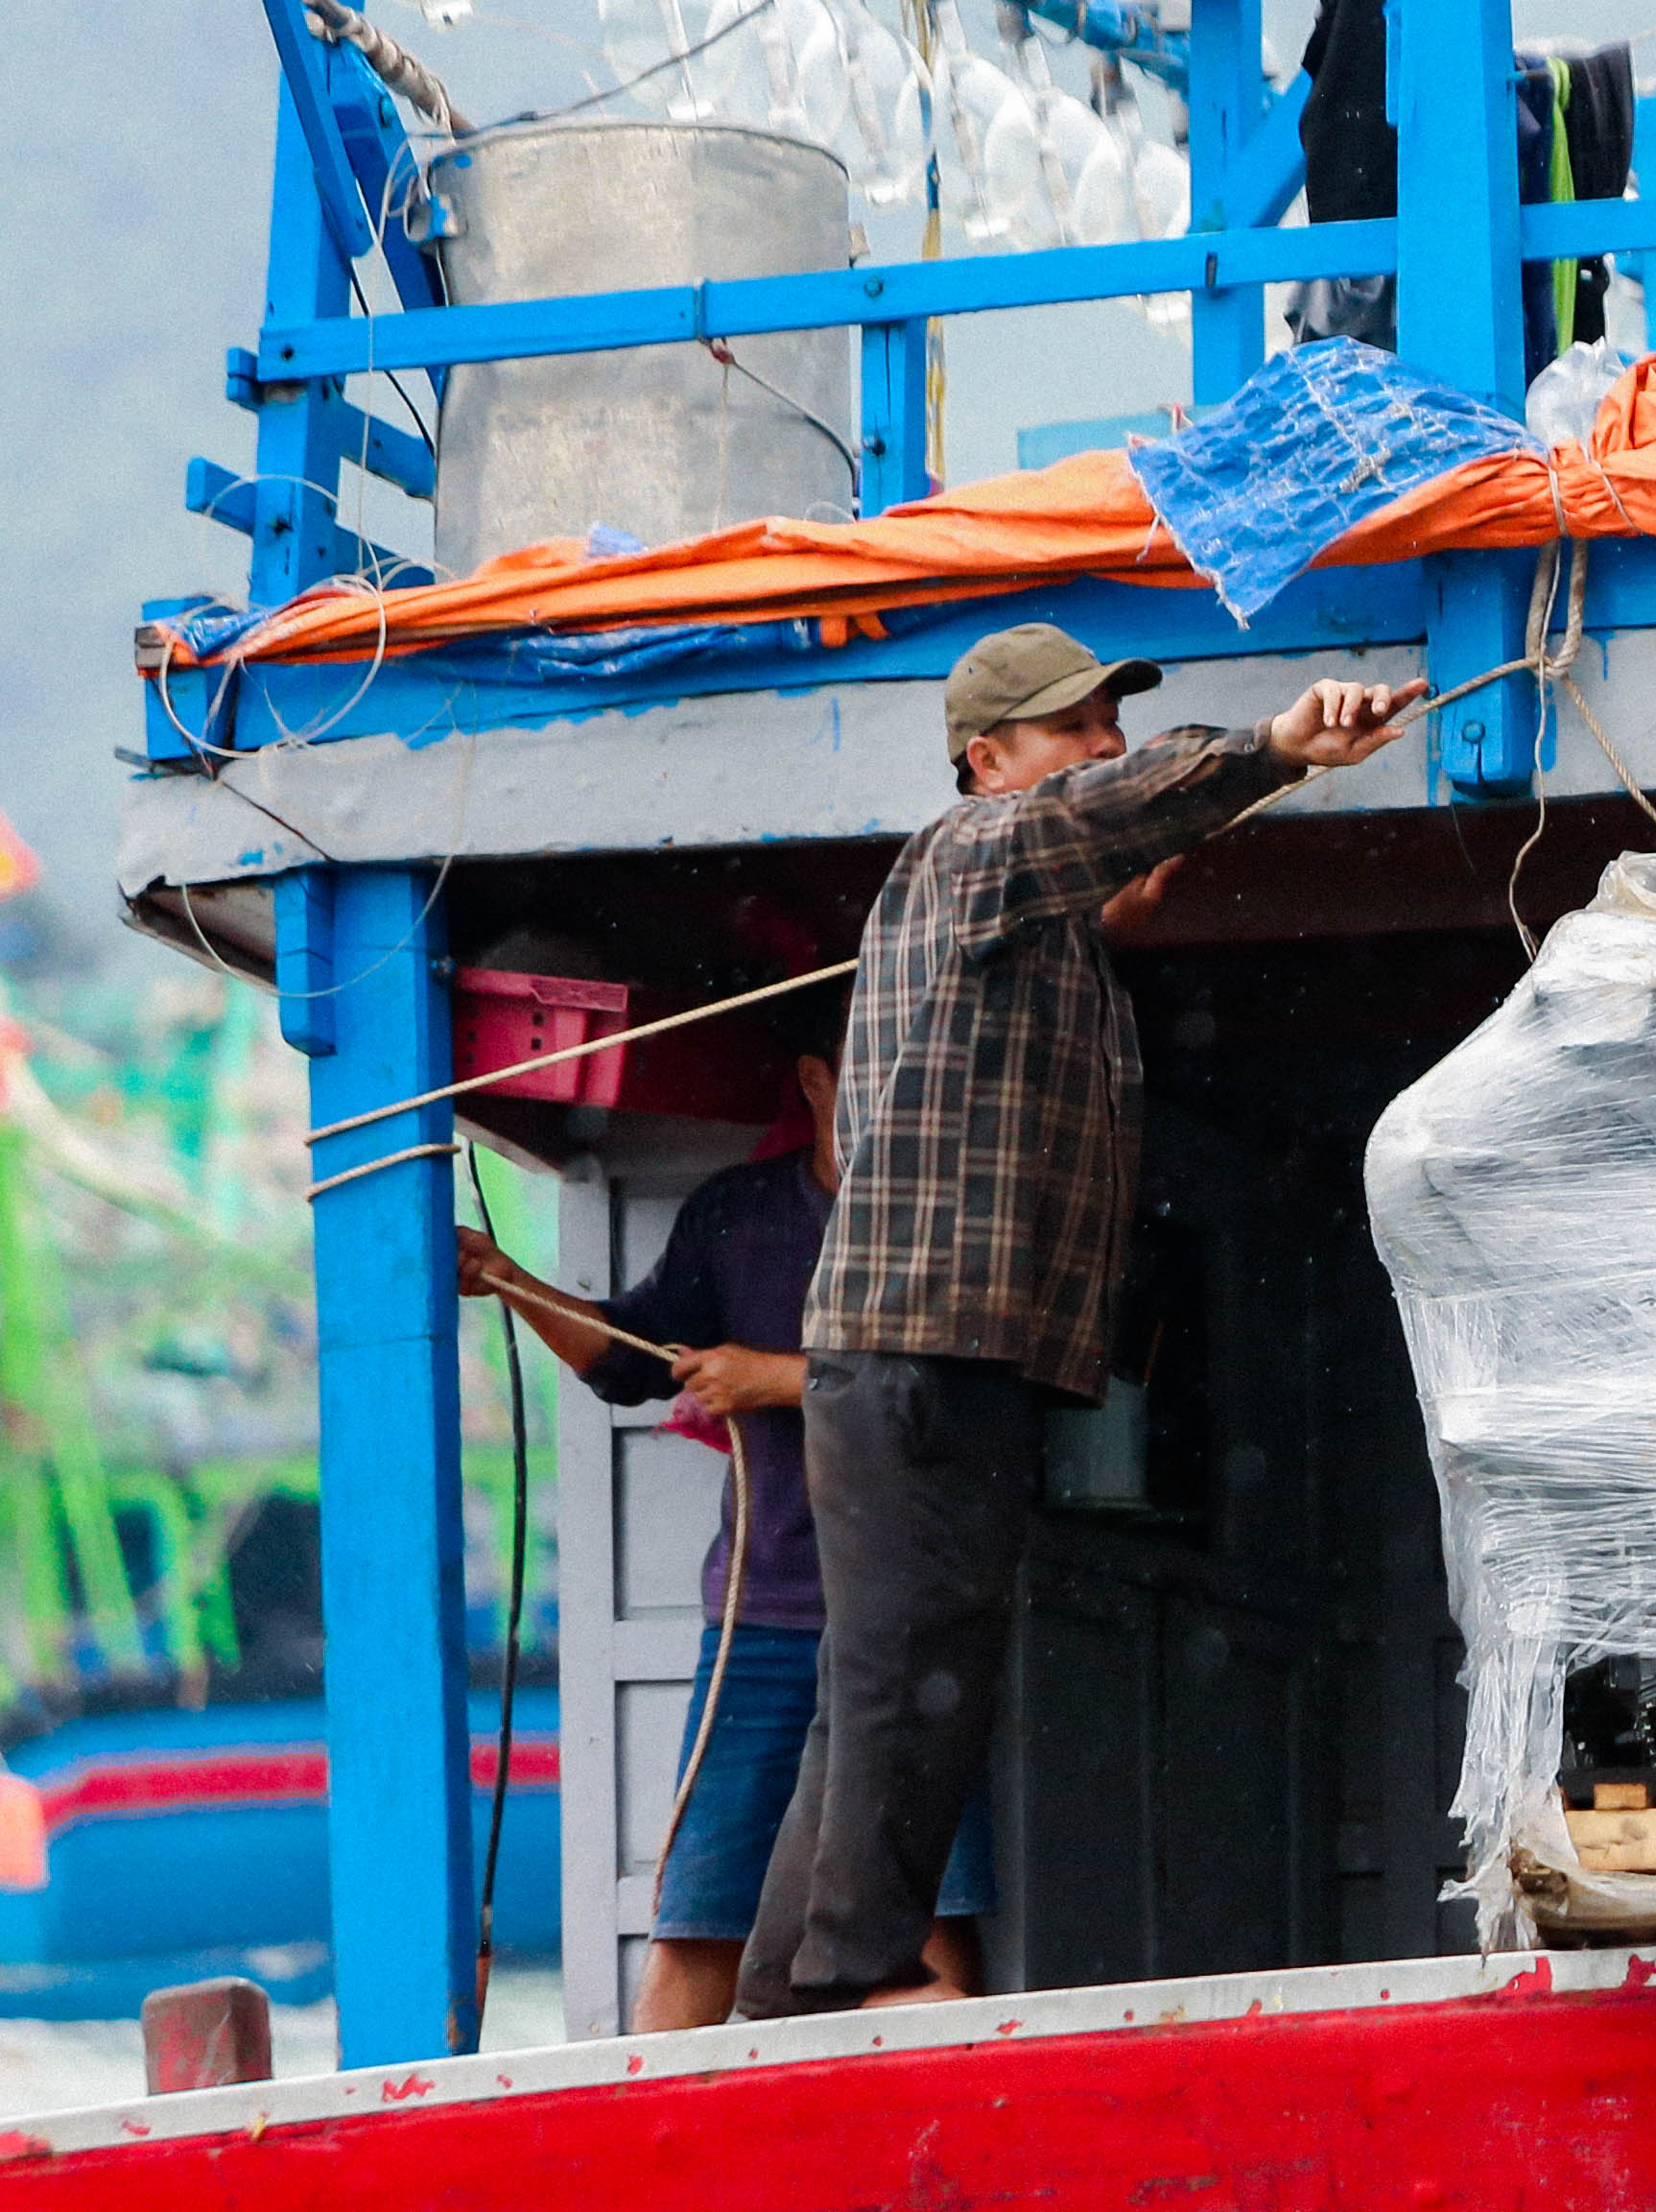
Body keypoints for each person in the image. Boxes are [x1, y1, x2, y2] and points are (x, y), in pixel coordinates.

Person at [733, 624, 1423, 2017]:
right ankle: (840, 1984)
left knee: (906, 1677)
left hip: (958, 1361)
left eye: (1111, 719)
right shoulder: (966, 854)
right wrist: (1280, 751)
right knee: (902, 1682)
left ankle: (783, 2001)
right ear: (987, 763)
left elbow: (1108, 829)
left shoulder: (1053, 952)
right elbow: (1106, 811)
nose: (1102, 746)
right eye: (1074, 729)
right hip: (917, 1352)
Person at [455, 1000, 994, 2029]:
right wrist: (508, 1278)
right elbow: (624, 1360)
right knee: (701, 1914)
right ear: (813, 1081)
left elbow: (951, 1392)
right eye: (862, 1075)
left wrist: (781, 1377)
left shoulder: (950, 1224)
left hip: (910, 1624)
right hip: (764, 1620)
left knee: (931, 1916)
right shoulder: (737, 1214)